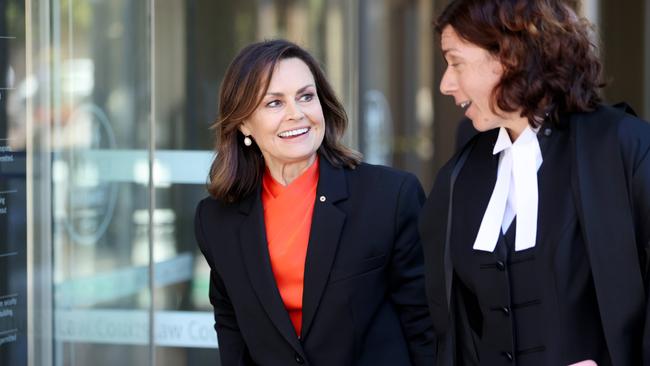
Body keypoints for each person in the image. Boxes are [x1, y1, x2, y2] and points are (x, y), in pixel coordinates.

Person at [419, 0, 650, 365]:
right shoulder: (459, 176)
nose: (446, 84)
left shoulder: (624, 147)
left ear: (509, 55)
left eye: (456, 62)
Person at [194, 39, 434, 366]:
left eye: (306, 97)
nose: (297, 114)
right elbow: (230, 320)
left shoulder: (390, 196)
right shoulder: (215, 219)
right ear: (243, 123)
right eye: (274, 103)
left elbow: (424, 324)